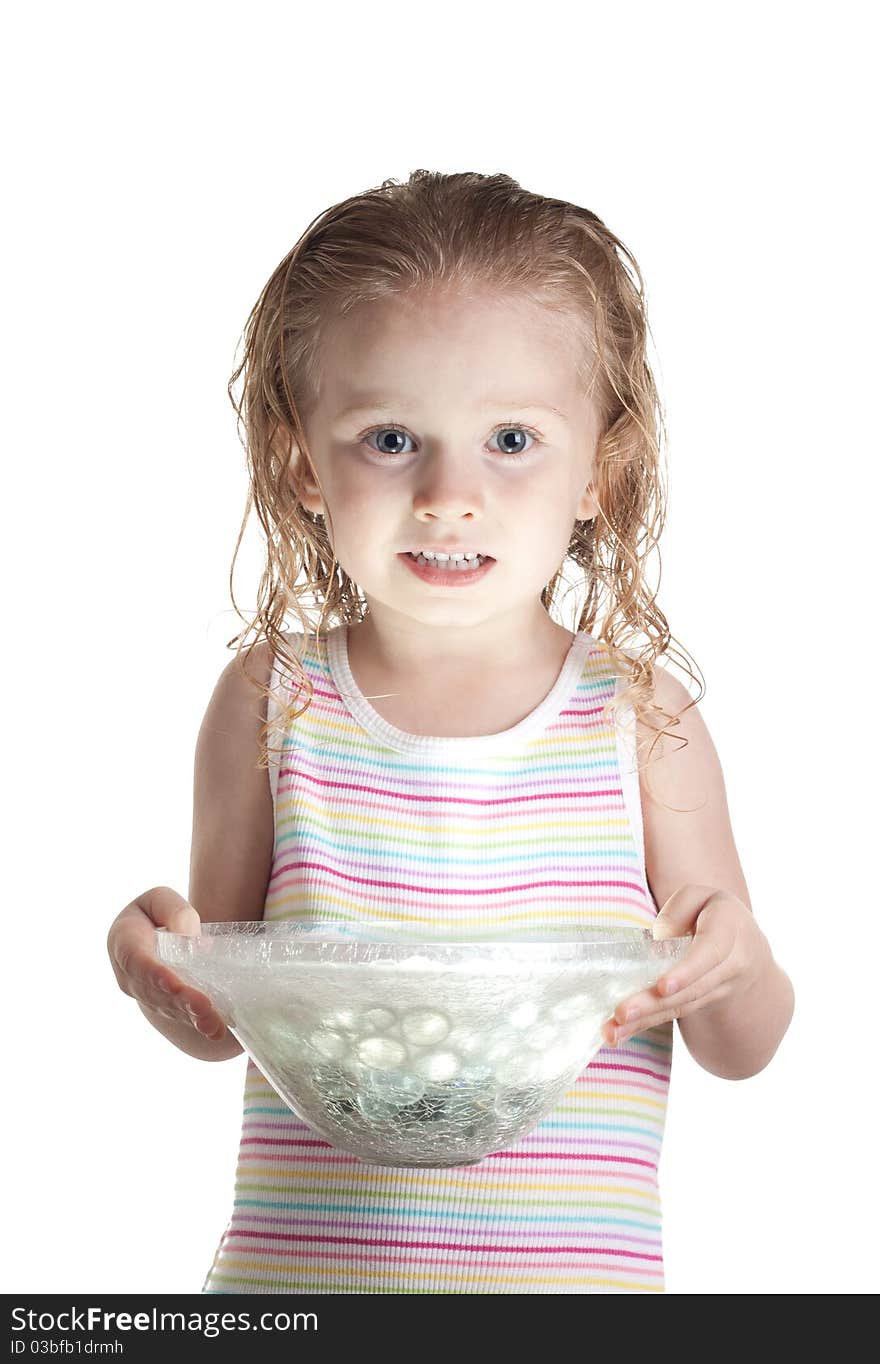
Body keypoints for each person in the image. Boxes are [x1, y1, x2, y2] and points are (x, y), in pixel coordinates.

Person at [107, 169, 795, 1294]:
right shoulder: (271, 698)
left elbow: (743, 1043)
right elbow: (226, 1019)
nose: (447, 493)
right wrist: (155, 965)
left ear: (598, 472)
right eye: (389, 437)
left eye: (511, 438)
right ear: (300, 463)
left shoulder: (638, 715)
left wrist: (733, 960)